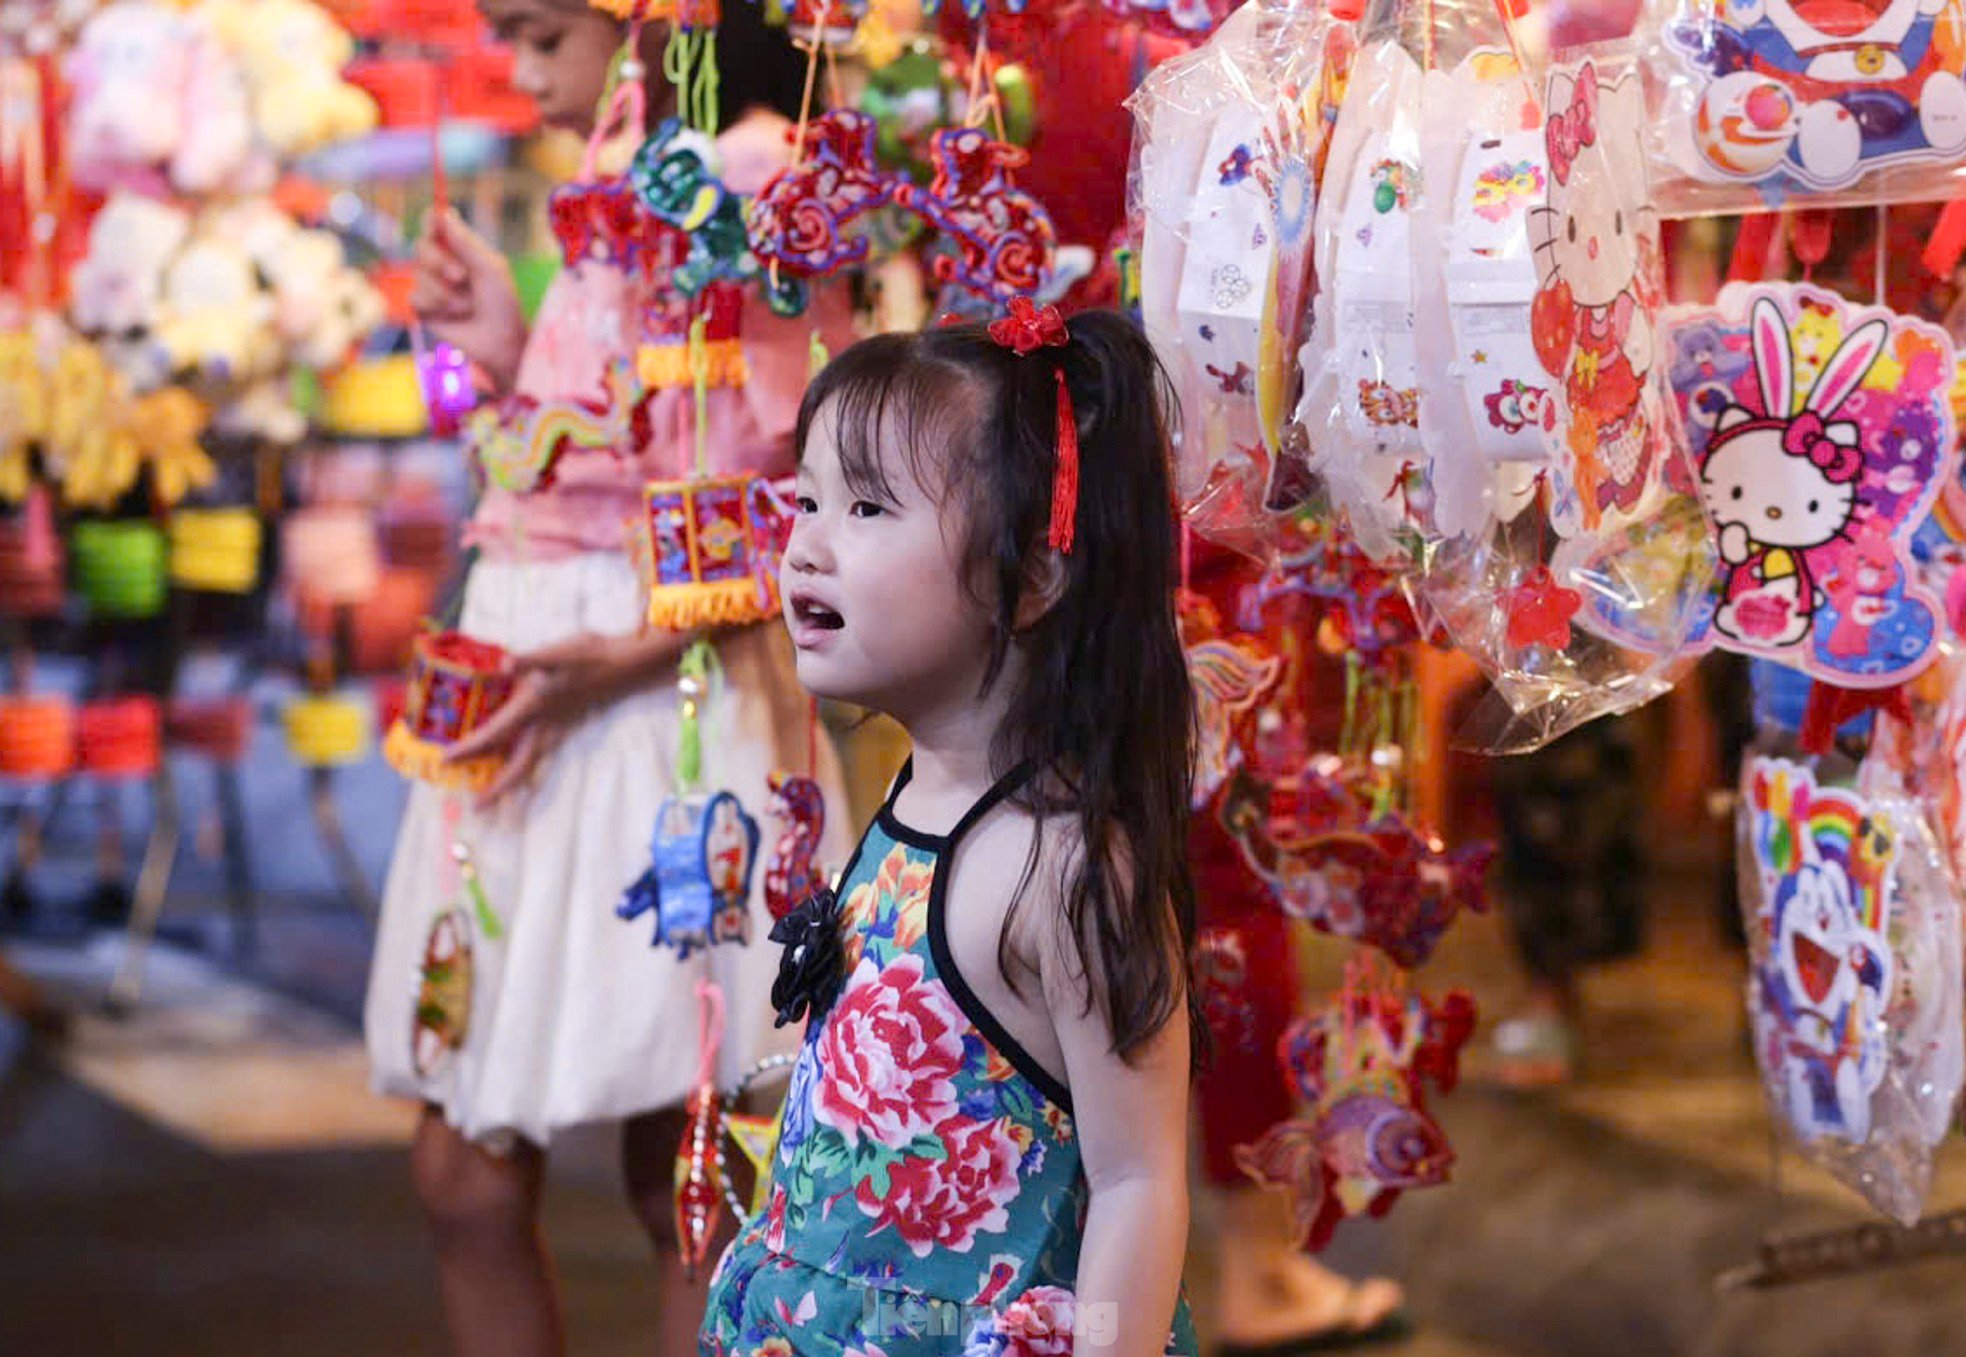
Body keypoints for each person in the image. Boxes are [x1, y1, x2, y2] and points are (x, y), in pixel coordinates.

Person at [369, 4, 854, 1355]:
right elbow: (589, 452)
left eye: (539, 34)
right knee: (460, 1175)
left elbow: (814, 492)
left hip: (665, 691)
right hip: (528, 677)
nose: (521, 78)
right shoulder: (600, 189)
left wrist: (625, 658)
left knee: (692, 1176)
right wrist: (502, 350)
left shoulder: (753, 174)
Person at [701, 310, 1199, 1357]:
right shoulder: (902, 811)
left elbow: (1138, 1177)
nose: (805, 543)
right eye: (807, 499)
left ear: (1027, 578)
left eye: (868, 506)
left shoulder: (1062, 862)